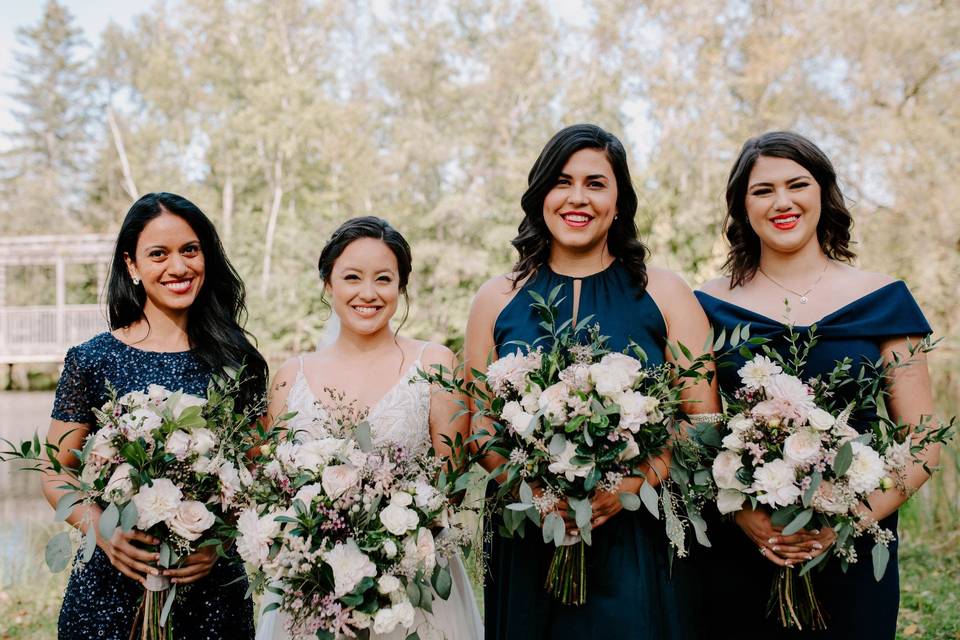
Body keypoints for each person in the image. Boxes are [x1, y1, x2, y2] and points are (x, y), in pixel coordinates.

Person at [466, 123, 719, 639]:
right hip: (528, 532)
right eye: (562, 181)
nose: (577, 197)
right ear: (541, 196)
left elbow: (705, 421)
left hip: (636, 534)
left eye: (595, 183)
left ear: (619, 201)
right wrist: (533, 491)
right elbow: (479, 421)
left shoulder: (666, 293)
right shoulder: (496, 297)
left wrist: (633, 481)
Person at [696, 130, 940, 639]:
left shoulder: (884, 298)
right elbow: (693, 428)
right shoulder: (704, 307)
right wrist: (745, 516)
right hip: (743, 546)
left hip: (856, 543)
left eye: (797, 184)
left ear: (823, 194)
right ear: (742, 206)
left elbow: (924, 441)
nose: (782, 202)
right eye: (762, 190)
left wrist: (842, 523)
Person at [44, 192, 268, 639]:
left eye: (190, 250)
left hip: (211, 593)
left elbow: (260, 473)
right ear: (132, 265)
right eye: (158, 254)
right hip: (109, 587)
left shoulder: (237, 361)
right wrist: (103, 531)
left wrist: (221, 540)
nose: (179, 267)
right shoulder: (91, 360)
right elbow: (55, 473)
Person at [258, 216, 483, 640]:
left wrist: (386, 529)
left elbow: (451, 480)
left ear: (401, 286)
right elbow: (274, 485)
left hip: (410, 581)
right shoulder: (290, 375)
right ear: (328, 284)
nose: (368, 293)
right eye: (352, 277)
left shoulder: (434, 364)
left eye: (383, 279)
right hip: (314, 585)